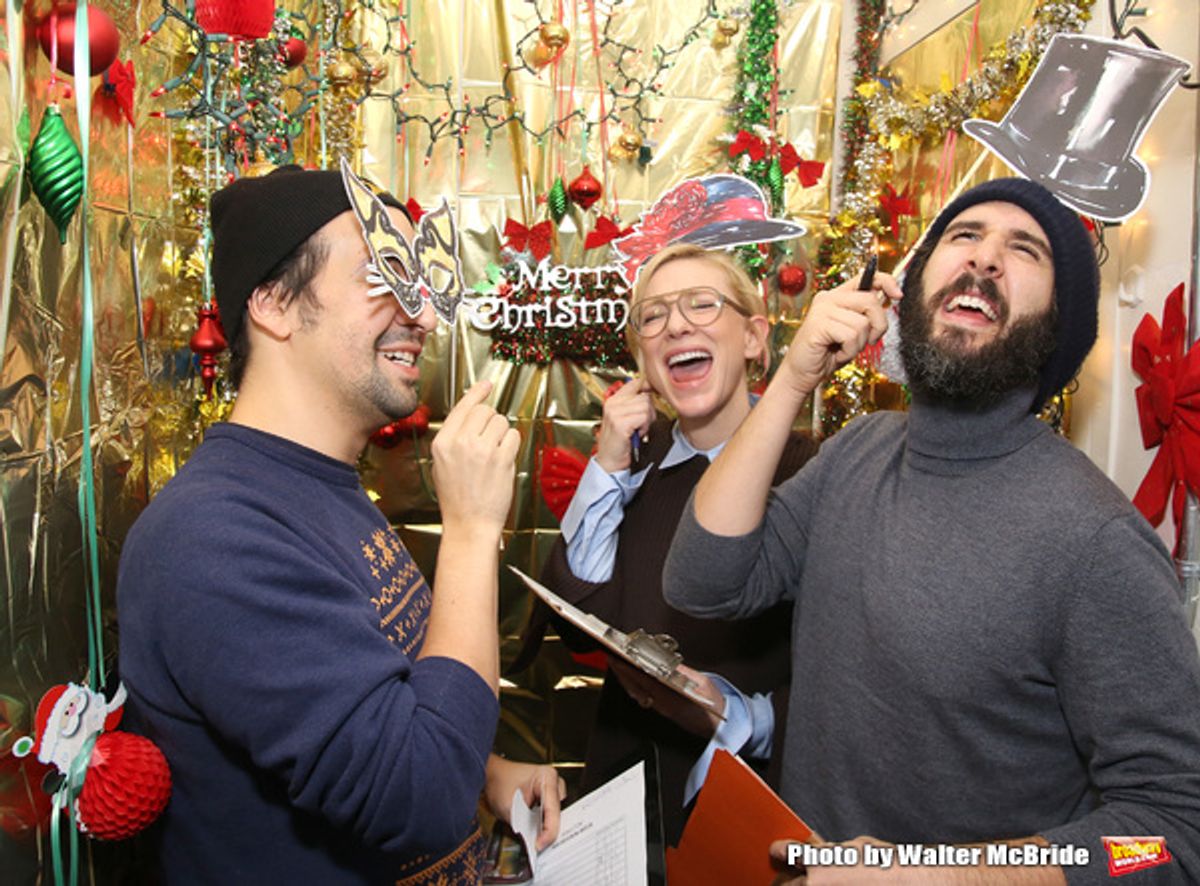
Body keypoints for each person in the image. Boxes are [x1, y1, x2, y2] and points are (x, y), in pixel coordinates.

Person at [662, 177, 1200, 883]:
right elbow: (702, 582)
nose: (984, 258)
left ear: (1056, 329)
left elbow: (1171, 834)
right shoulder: (859, 451)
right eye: (964, 235)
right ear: (911, 290)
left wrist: (939, 874)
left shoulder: (1096, 540)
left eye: (1025, 250)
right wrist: (792, 380)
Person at [117, 165, 564, 884]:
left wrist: (483, 771)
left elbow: (380, 701)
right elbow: (420, 797)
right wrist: (473, 530)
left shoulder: (321, 487)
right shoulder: (210, 536)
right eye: (382, 273)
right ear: (274, 304)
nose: (421, 315)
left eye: (420, 279)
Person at [537, 243, 818, 845]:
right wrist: (608, 467)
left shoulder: (814, 471)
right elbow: (576, 618)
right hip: (620, 803)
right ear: (642, 356)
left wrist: (739, 717)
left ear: (754, 338)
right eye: (654, 315)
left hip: (748, 814)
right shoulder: (637, 460)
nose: (677, 325)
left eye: (701, 303)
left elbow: (850, 677)